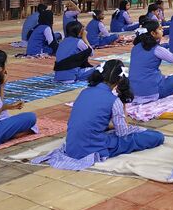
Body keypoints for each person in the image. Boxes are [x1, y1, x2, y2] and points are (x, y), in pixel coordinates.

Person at [33, 59, 165, 169]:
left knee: (115, 132)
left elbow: (87, 121)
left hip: (72, 146)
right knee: (155, 137)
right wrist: (125, 106)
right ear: (120, 80)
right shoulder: (114, 101)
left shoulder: (85, 92)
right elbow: (123, 133)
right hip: (92, 148)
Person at [129, 20, 173, 104]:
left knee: (163, 76)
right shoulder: (157, 49)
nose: (162, 30)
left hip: (133, 91)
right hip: (152, 91)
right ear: (153, 33)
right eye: (159, 29)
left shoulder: (135, 48)